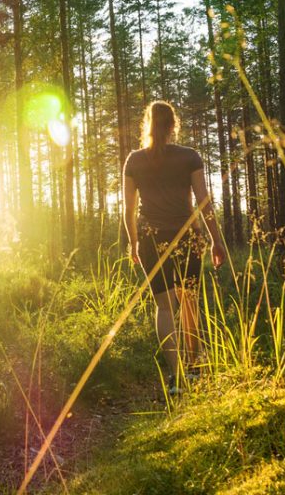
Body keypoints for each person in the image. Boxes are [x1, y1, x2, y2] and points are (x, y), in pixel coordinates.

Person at [123, 100, 226, 395]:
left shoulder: (134, 160)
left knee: (165, 307)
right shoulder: (189, 157)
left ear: (147, 125)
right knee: (190, 301)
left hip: (151, 241)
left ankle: (175, 378)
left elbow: (128, 211)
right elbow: (204, 202)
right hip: (187, 239)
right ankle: (193, 369)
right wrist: (216, 240)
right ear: (172, 126)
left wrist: (133, 243)